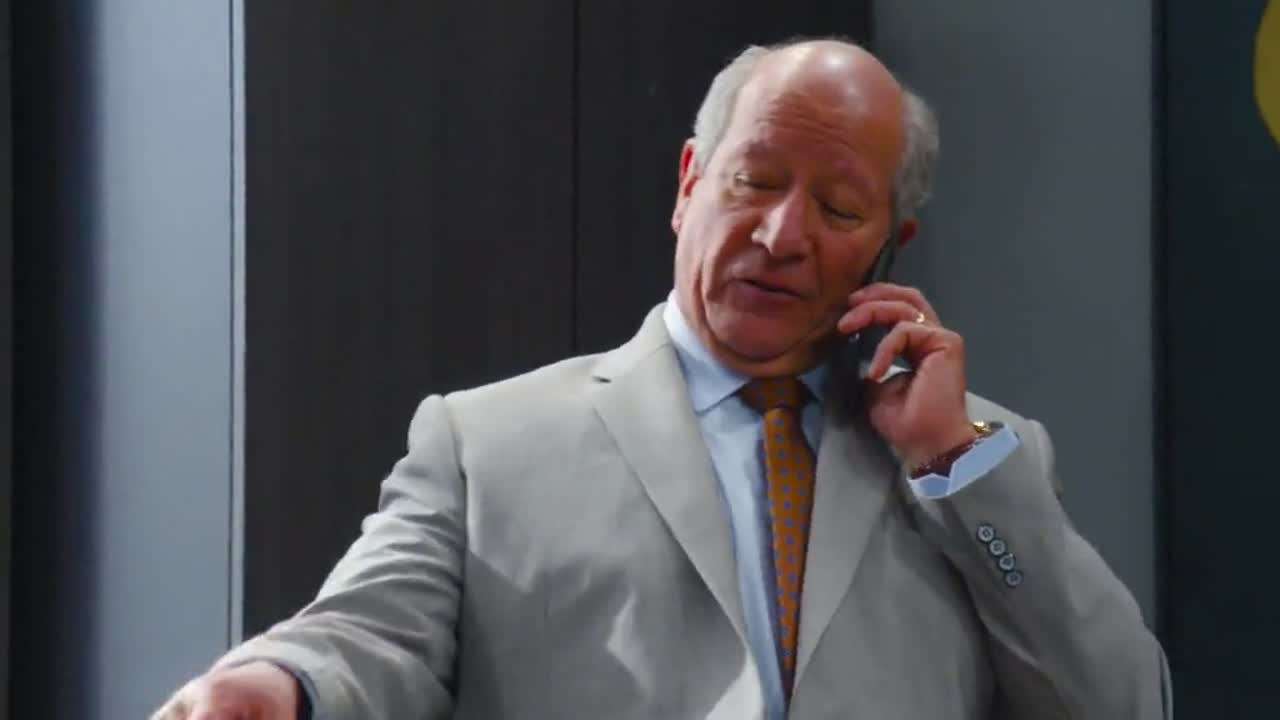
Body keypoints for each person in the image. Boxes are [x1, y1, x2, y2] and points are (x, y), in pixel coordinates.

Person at [153, 38, 1172, 719]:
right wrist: (277, 684)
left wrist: (949, 462)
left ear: (888, 247)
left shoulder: (973, 461)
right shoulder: (487, 445)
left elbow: (1120, 702)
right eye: (754, 181)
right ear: (690, 184)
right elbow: (366, 636)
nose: (781, 235)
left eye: (837, 209)